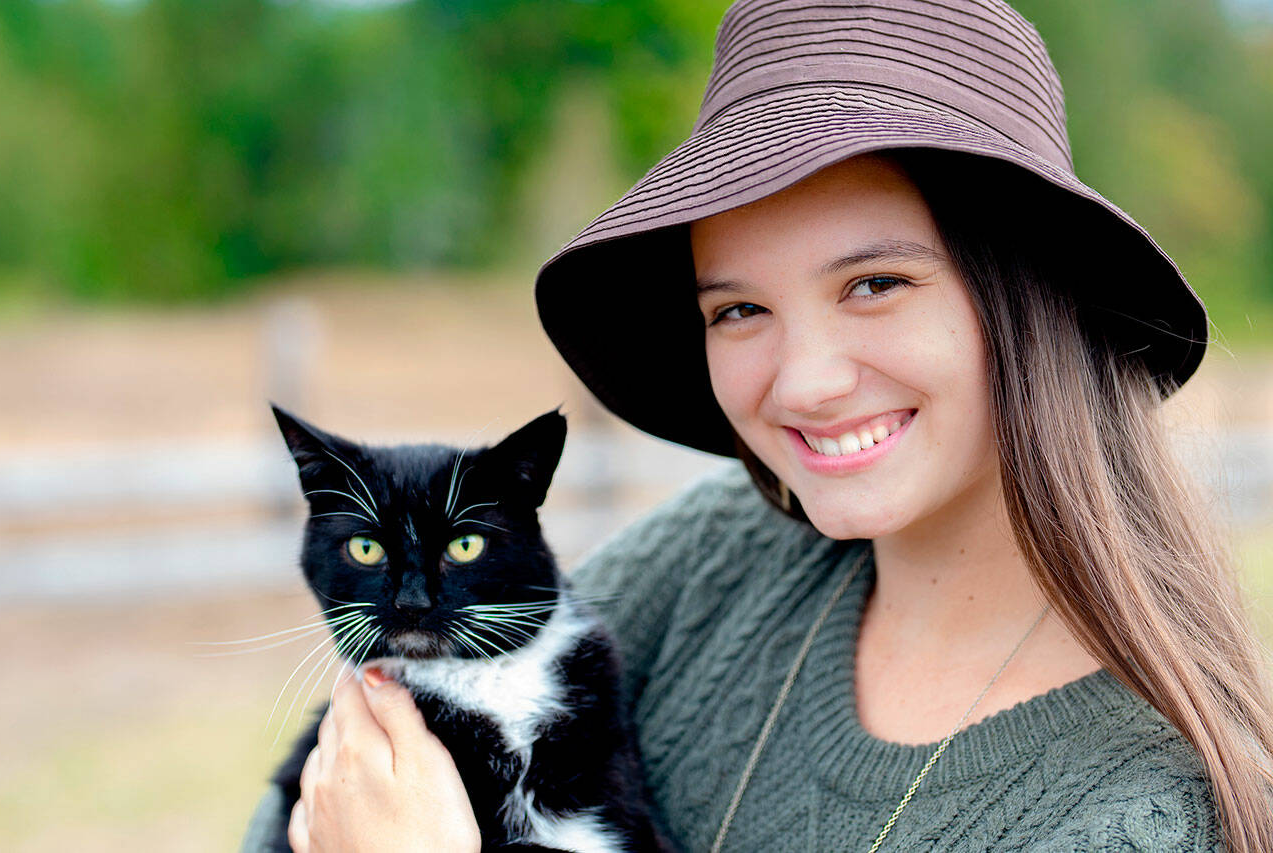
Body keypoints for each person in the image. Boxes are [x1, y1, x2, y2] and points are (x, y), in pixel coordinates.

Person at [243, 0, 1273, 850]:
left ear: (1032, 300)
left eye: (874, 283)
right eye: (737, 309)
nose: (805, 384)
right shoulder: (721, 556)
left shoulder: (1134, 817)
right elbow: (315, 799)